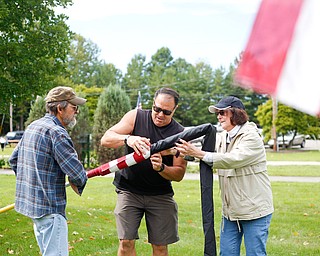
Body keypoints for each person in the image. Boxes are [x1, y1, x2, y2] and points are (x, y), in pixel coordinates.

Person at [175, 96, 274, 256]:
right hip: (231, 212)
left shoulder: (251, 137)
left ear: (236, 114)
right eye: (217, 113)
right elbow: (206, 154)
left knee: (255, 254)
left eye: (222, 112)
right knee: (227, 253)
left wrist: (199, 153)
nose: (218, 116)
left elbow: (232, 159)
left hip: (255, 211)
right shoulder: (222, 137)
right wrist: (178, 151)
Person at [101, 87, 187, 256]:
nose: (160, 115)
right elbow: (106, 139)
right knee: (126, 242)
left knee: (160, 247)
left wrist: (161, 168)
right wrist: (128, 138)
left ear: (174, 110)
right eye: (157, 109)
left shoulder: (180, 133)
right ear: (152, 104)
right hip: (129, 190)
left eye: (166, 112)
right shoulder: (136, 116)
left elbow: (179, 173)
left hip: (160, 194)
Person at [9, 86, 88, 256]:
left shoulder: (33, 126)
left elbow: (13, 160)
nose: (76, 112)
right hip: (50, 210)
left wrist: (32, 185)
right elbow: (77, 173)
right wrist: (79, 181)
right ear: (60, 108)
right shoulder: (57, 132)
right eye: (74, 108)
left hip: (35, 209)